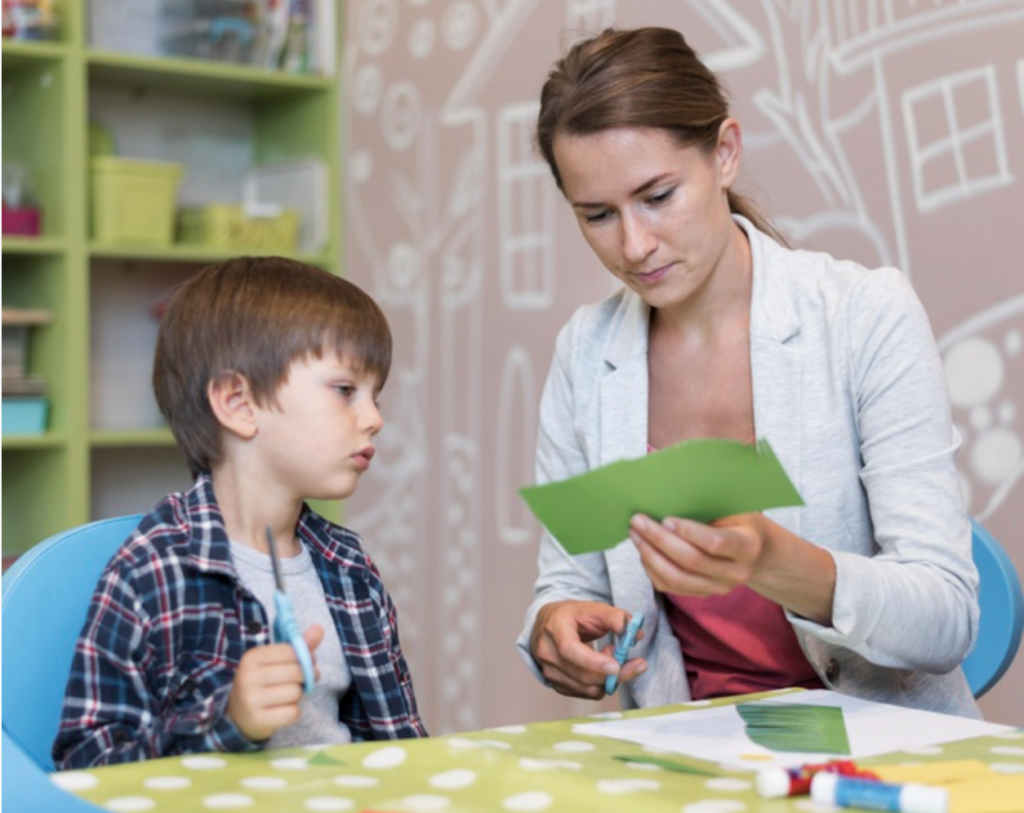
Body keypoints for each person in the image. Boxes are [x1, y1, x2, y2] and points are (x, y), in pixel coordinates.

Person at [516, 27, 981, 717]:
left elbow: (947, 616)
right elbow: (567, 581)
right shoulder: (586, 353)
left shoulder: (864, 316)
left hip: (879, 751)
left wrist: (777, 562)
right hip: (687, 752)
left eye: (658, 195)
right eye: (597, 215)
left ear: (725, 153)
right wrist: (555, 627)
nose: (635, 244)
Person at [54, 256, 427, 769]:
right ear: (238, 403)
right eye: (345, 391)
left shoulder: (349, 567)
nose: (375, 418)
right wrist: (226, 723)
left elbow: (396, 741)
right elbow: (86, 765)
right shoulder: (154, 570)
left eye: (375, 395)